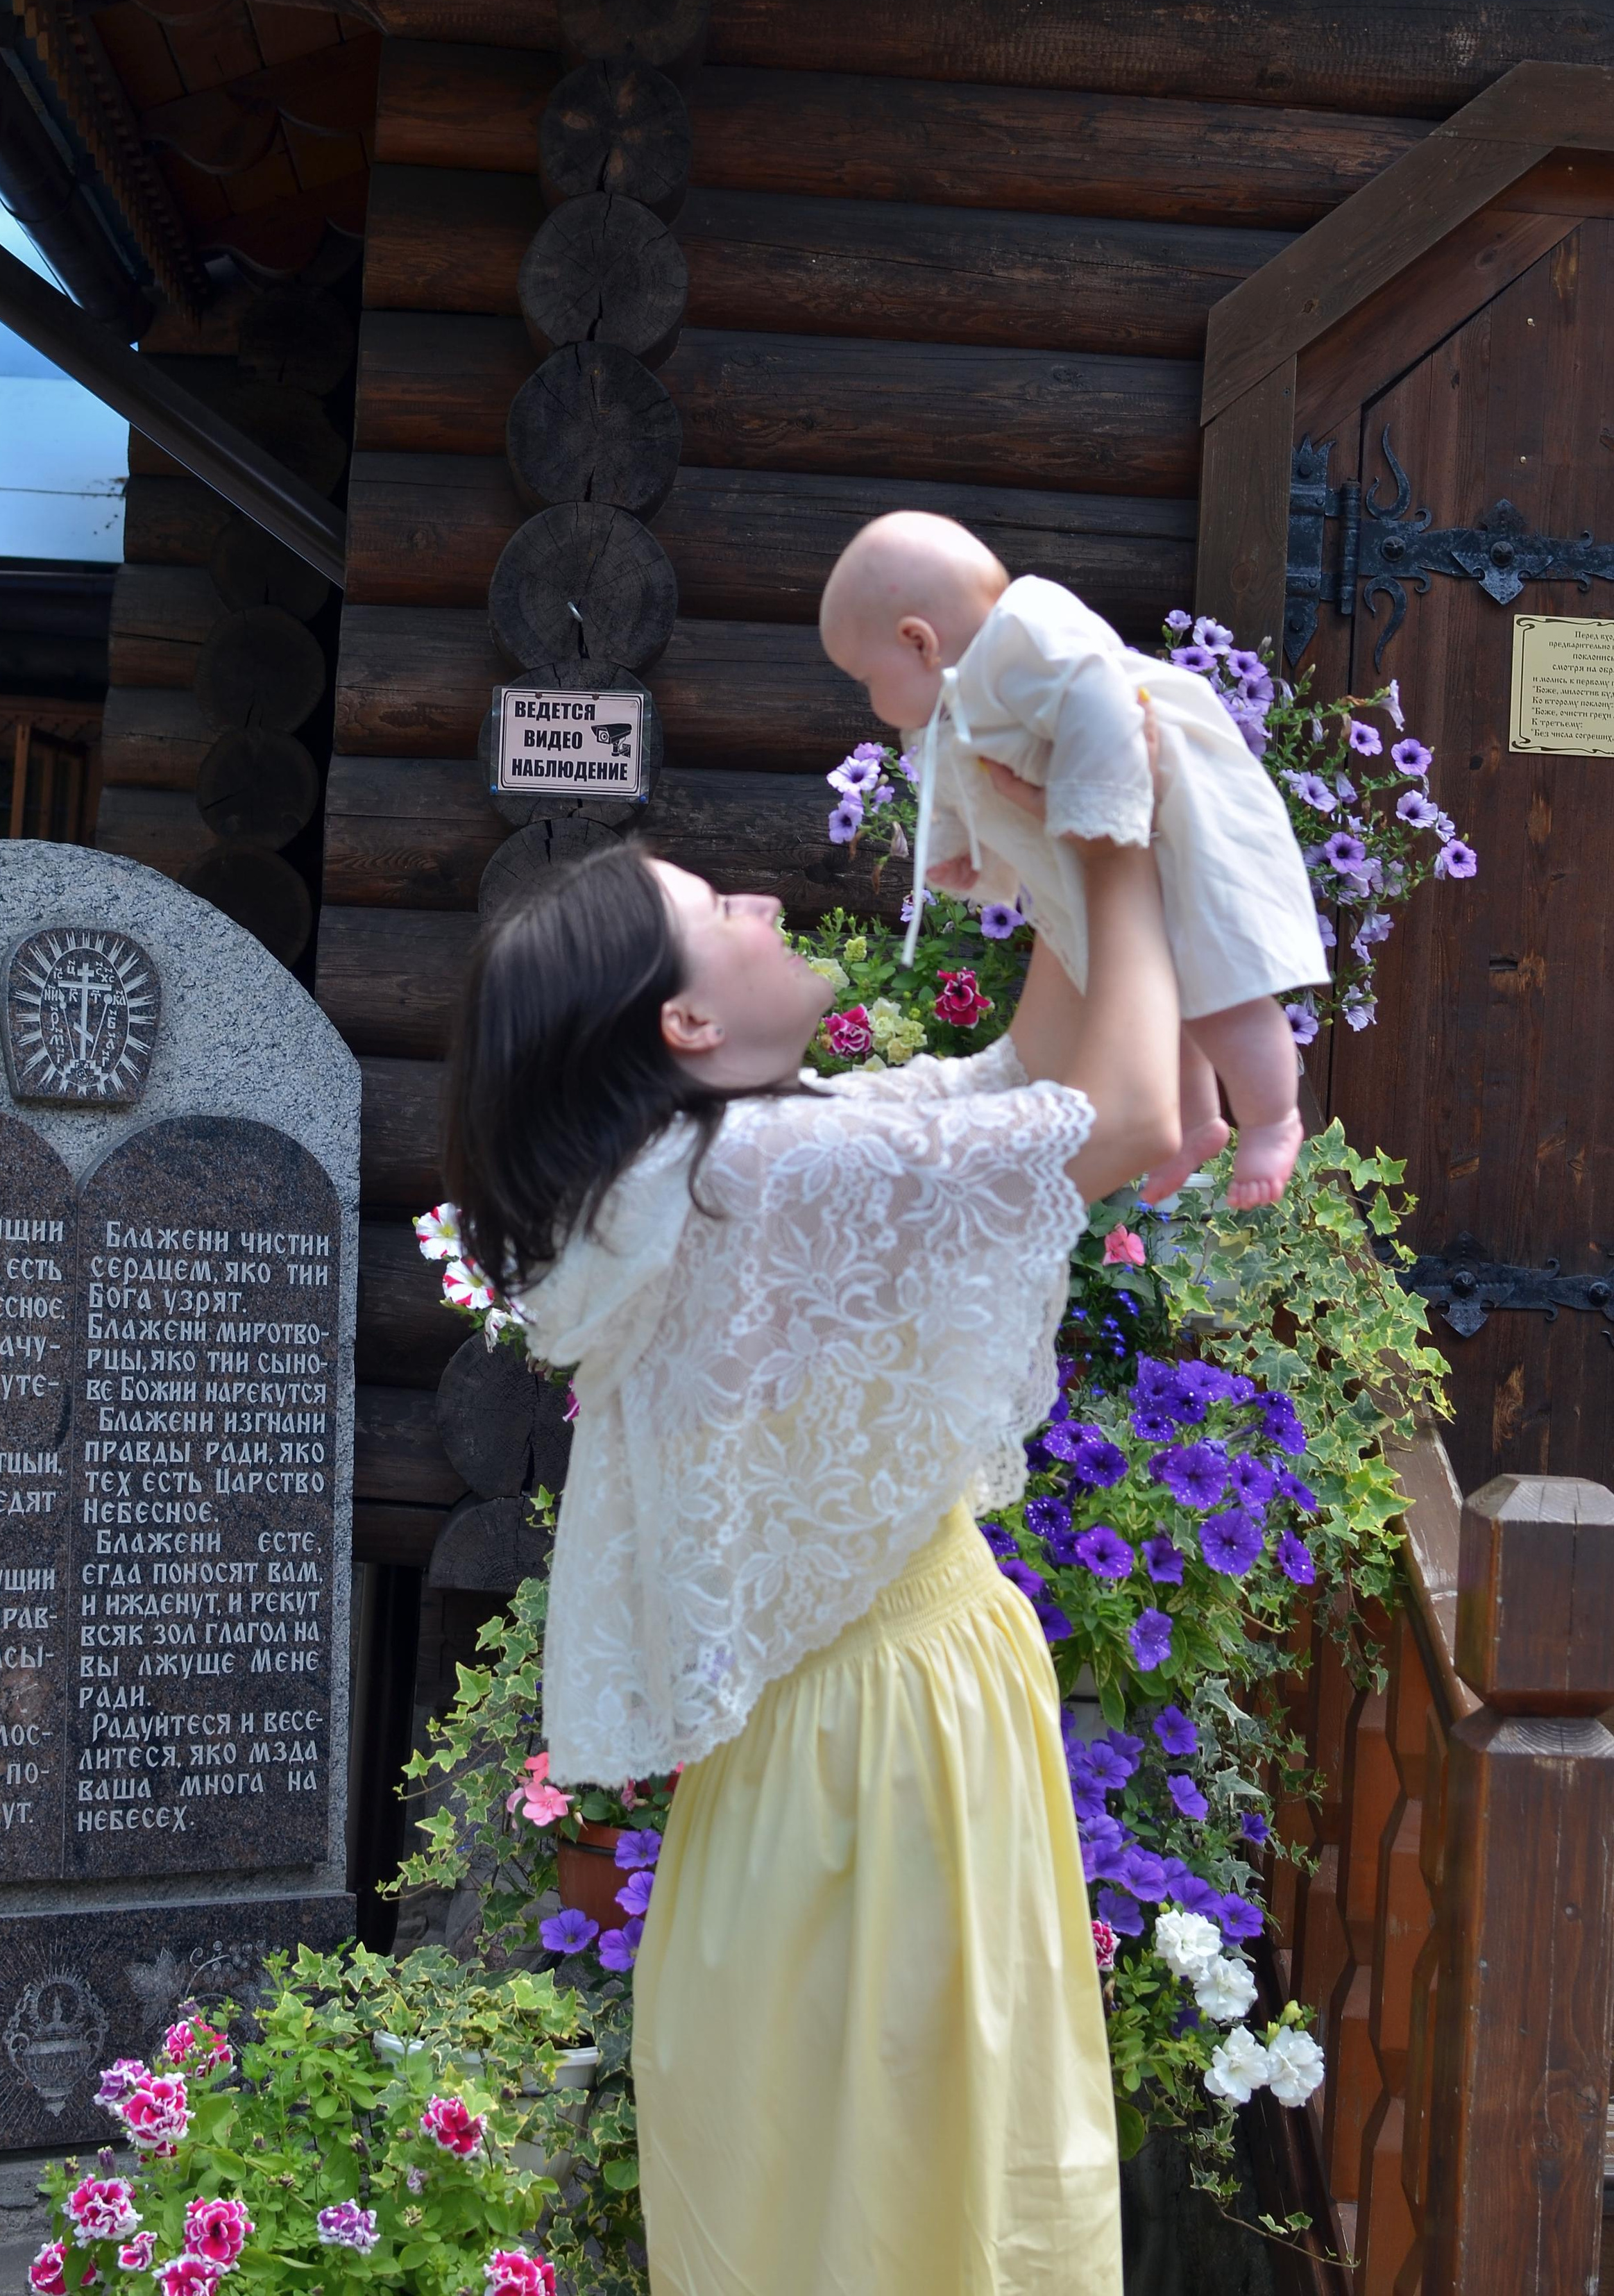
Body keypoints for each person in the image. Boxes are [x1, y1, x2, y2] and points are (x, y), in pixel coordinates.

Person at [443, 784, 1184, 2296]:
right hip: (885, 1757)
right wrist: (1117, 841)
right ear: (685, 1030)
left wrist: (1041, 835)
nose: (761, 908)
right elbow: (1133, 1121)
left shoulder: (709, 1175)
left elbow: (1028, 1073)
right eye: (716, 913)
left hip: (824, 1759)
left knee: (836, 2208)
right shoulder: (750, 1182)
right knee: (935, 2202)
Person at [819, 510, 1326, 1208]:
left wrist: (1101, 823)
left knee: (1219, 989)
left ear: (919, 641)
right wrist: (957, 852)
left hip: (1170, 820)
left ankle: (1273, 1119)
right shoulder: (944, 713)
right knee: (1156, 998)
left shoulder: (1024, 634)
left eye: (865, 677)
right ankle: (1197, 1122)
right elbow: (949, 789)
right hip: (1095, 846)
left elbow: (1101, 701)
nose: (871, 701)